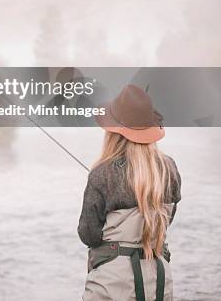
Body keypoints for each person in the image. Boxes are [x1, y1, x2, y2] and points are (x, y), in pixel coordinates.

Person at [78, 84, 181, 301]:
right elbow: (167, 220)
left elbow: (88, 234)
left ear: (113, 133)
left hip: (112, 284)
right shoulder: (169, 169)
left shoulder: (101, 173)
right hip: (159, 281)